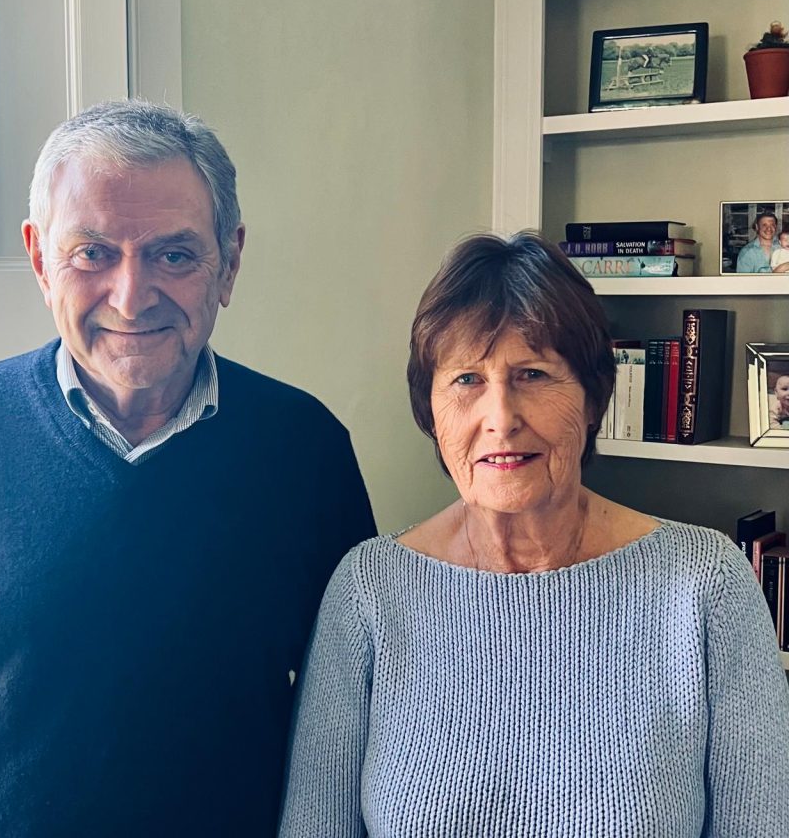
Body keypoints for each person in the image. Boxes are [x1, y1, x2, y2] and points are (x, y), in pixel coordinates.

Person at [0, 101, 376, 836]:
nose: (131, 298)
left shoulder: (305, 451)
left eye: (174, 255)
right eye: (93, 253)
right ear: (41, 260)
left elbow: (350, 725)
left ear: (229, 263)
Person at [279, 232, 789, 836]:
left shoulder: (707, 584)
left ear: (594, 398)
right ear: (430, 411)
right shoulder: (368, 589)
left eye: (532, 374)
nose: (500, 418)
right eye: (467, 380)